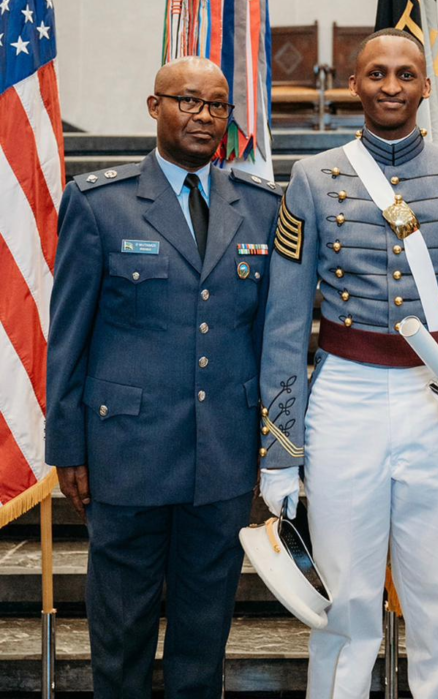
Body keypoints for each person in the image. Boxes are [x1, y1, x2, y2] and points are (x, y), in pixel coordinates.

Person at [258, 28, 438, 699]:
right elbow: (285, 322)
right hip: (343, 396)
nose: (391, 86)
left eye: (406, 74)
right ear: (354, 84)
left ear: (427, 86)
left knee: (436, 595)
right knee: (344, 600)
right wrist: (280, 449)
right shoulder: (313, 179)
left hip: (435, 400)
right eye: (377, 73)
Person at [45, 56, 281, 699]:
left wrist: (275, 443)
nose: (204, 116)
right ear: (155, 107)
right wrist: (67, 446)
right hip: (127, 452)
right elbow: (68, 335)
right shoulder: (100, 203)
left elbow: (272, 337)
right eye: (188, 101)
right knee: (121, 638)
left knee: (204, 640)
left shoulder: (261, 207)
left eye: (217, 106)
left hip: (223, 453)